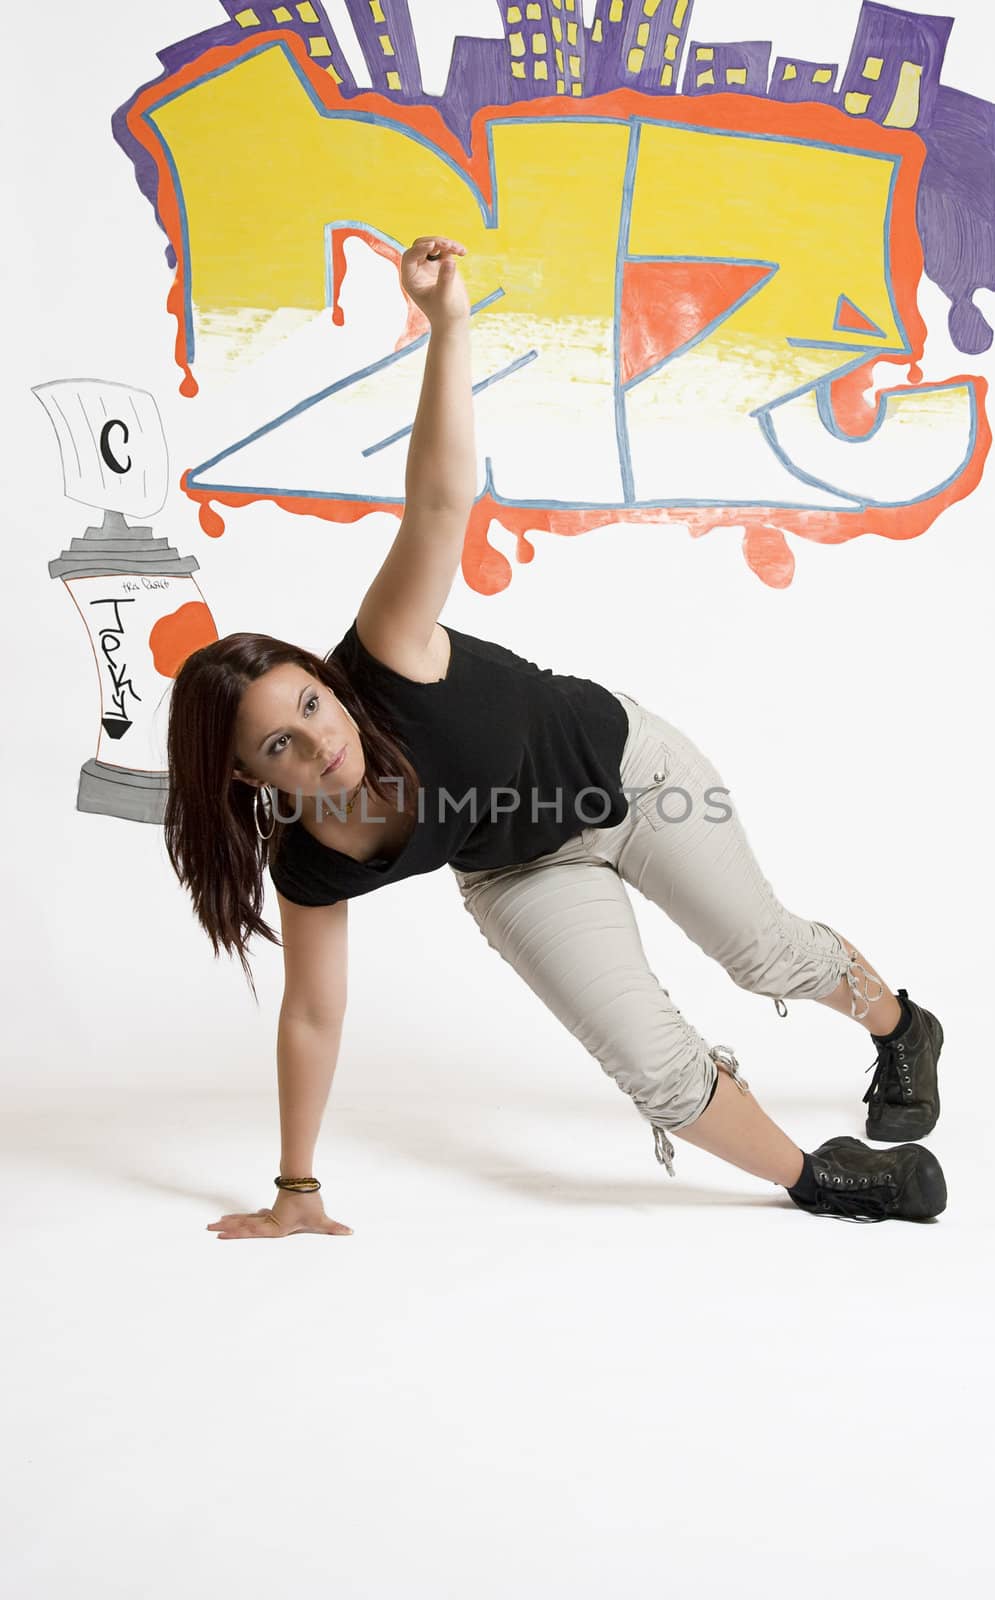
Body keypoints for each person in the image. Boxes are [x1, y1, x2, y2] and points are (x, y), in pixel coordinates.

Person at [164, 235, 947, 1239]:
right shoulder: (311, 861)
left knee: (764, 956)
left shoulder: (389, 653)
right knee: (654, 1067)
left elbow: (442, 498)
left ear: (324, 682)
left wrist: (446, 325)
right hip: (519, 872)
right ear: (242, 772)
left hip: (628, 779)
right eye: (278, 747)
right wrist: (296, 1190)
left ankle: (900, 1027)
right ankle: (823, 1179)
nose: (316, 744)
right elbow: (312, 1016)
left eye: (310, 706)